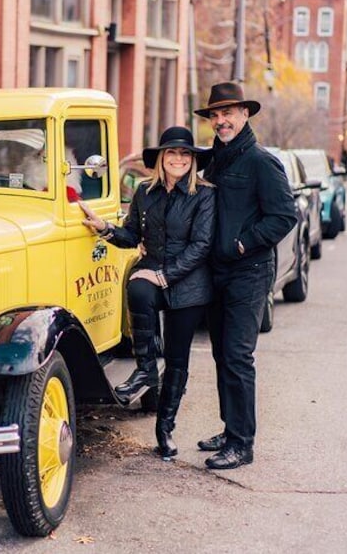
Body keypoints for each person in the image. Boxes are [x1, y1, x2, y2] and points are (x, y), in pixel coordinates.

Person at [80, 126, 215, 459]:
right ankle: (144, 369)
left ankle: (164, 429)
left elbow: (201, 246)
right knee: (137, 287)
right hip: (152, 270)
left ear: (193, 160)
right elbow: (130, 235)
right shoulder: (145, 192)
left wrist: (165, 276)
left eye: (185, 154)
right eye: (172, 153)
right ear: (162, 159)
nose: (179, 159)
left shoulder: (205, 194)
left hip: (189, 283)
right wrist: (105, 229)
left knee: (177, 359)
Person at [193, 81, 297, 469]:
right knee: (221, 354)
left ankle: (241, 443)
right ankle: (229, 428)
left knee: (237, 356)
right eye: (215, 115)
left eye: (228, 113)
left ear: (245, 114)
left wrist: (243, 243)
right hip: (215, 273)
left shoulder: (260, 161)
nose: (221, 121)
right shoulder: (215, 160)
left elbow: (285, 216)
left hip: (248, 272)